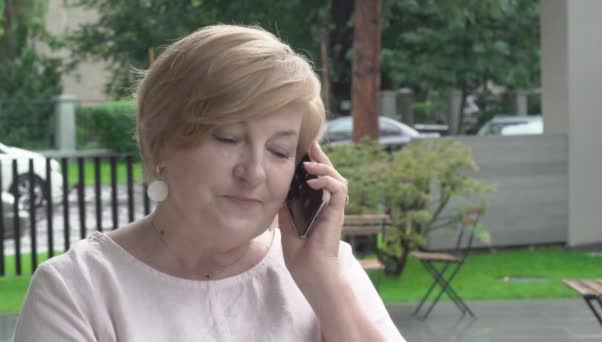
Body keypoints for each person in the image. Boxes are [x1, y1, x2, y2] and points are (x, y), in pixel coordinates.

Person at [12, 25, 406, 342]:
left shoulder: (329, 271)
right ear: (160, 143)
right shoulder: (77, 290)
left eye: (280, 151)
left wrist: (323, 285)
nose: (253, 173)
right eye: (228, 139)